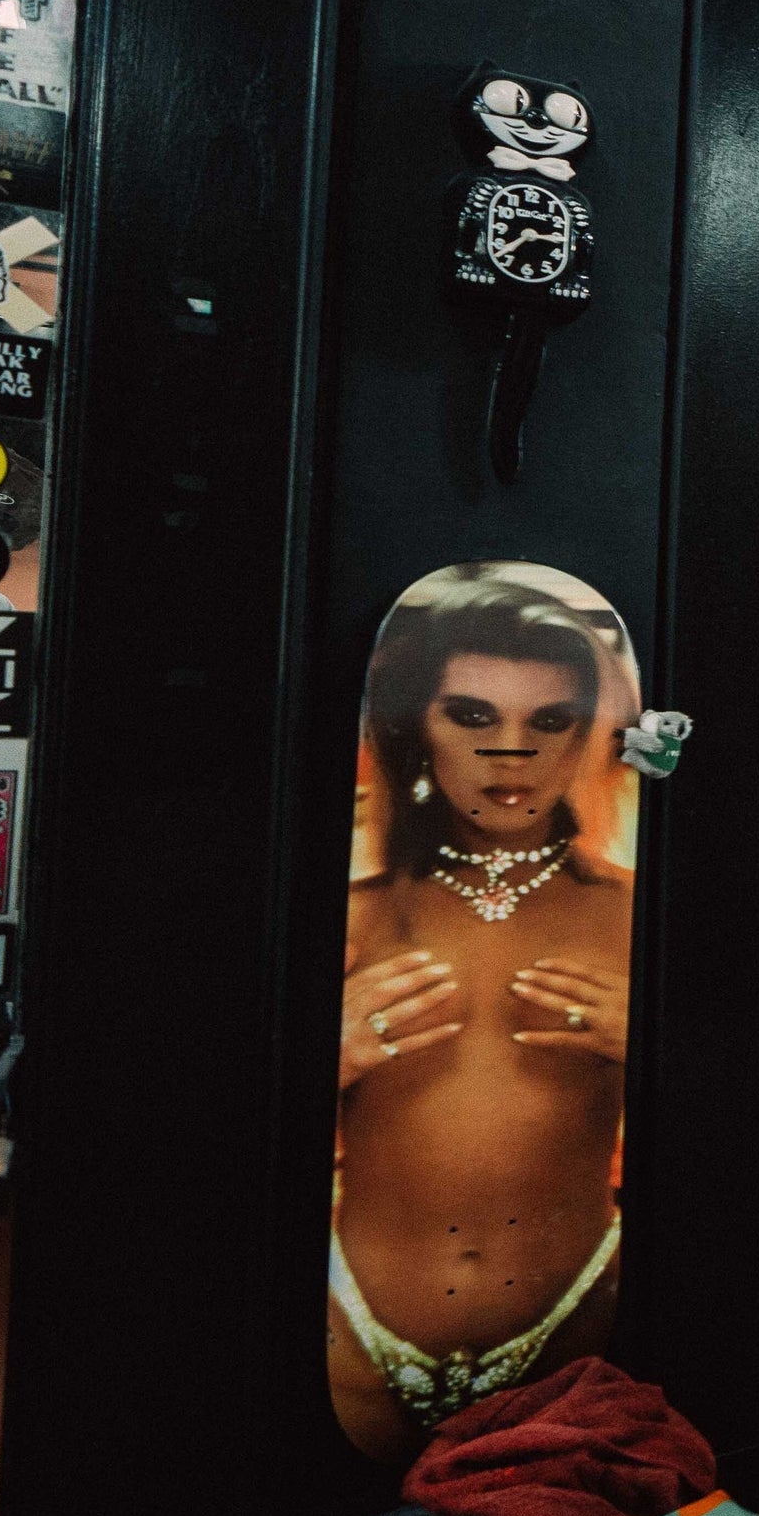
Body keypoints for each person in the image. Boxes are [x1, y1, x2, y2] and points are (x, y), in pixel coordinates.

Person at [330, 571, 636, 1463]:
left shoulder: (638, 913)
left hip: (581, 1312)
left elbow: (742, 1142)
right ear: (416, 728)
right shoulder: (350, 911)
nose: (511, 751)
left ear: (585, 734)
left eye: (550, 720)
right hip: (350, 1329)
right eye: (471, 715)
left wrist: (659, 1051)